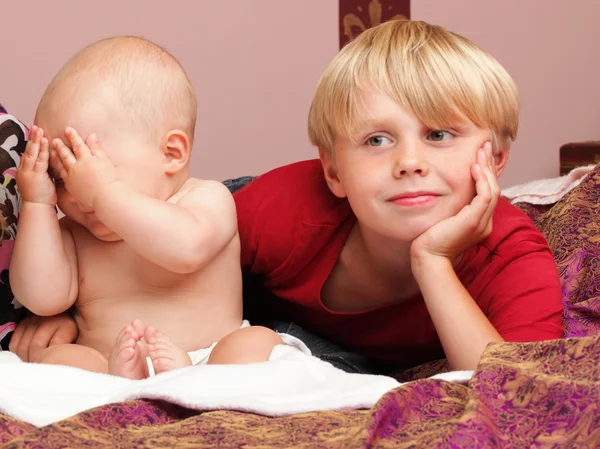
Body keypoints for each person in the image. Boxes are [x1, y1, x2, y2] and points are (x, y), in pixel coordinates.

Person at [11, 20, 564, 373]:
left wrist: (434, 261)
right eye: (376, 140)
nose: (410, 161)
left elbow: (512, 391)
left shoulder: (514, 256)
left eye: (440, 135)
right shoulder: (282, 210)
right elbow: (161, 254)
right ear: (334, 172)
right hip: (258, 317)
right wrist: (65, 317)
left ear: (493, 159)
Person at [9, 36, 285, 379]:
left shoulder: (205, 200)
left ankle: (208, 397)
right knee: (59, 360)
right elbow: (42, 298)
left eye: (95, 170)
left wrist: (104, 193)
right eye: (61, 180)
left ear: (171, 153)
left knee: (258, 342)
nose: (80, 195)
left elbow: (186, 250)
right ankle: (114, 408)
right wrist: (37, 203)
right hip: (108, 370)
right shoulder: (72, 232)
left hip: (210, 363)